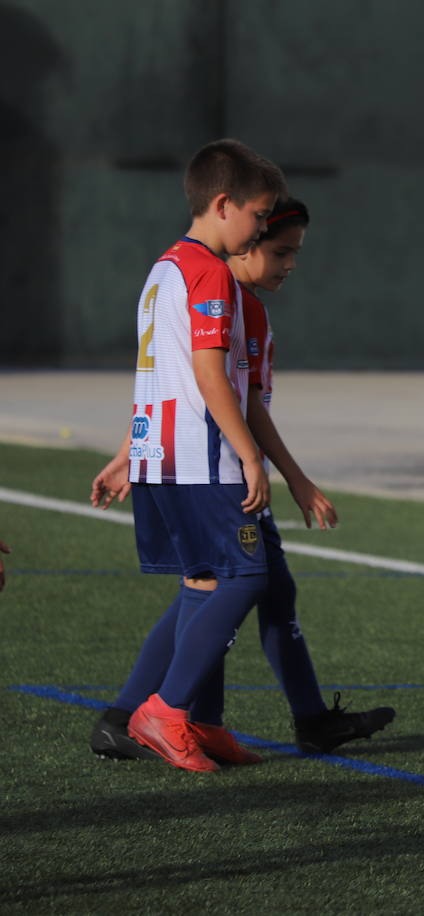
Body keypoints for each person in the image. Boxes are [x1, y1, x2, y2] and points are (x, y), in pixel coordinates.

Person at [89, 196, 395, 762]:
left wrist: (136, 450)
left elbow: (178, 385)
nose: (290, 264)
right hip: (216, 467)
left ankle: (299, 720)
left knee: (262, 586)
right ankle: (150, 712)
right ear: (244, 235)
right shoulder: (228, 295)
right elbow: (234, 397)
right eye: (280, 249)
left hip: (201, 459)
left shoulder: (185, 275)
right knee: (228, 583)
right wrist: (286, 474)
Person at [84, 138, 285, 772]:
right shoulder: (209, 272)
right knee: (245, 577)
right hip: (198, 458)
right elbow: (205, 373)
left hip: (159, 454)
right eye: (259, 214)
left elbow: (158, 370)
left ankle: (200, 721)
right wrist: (251, 455)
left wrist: (126, 451)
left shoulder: (165, 266)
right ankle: (165, 711)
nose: (261, 227)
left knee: (204, 583)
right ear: (224, 204)